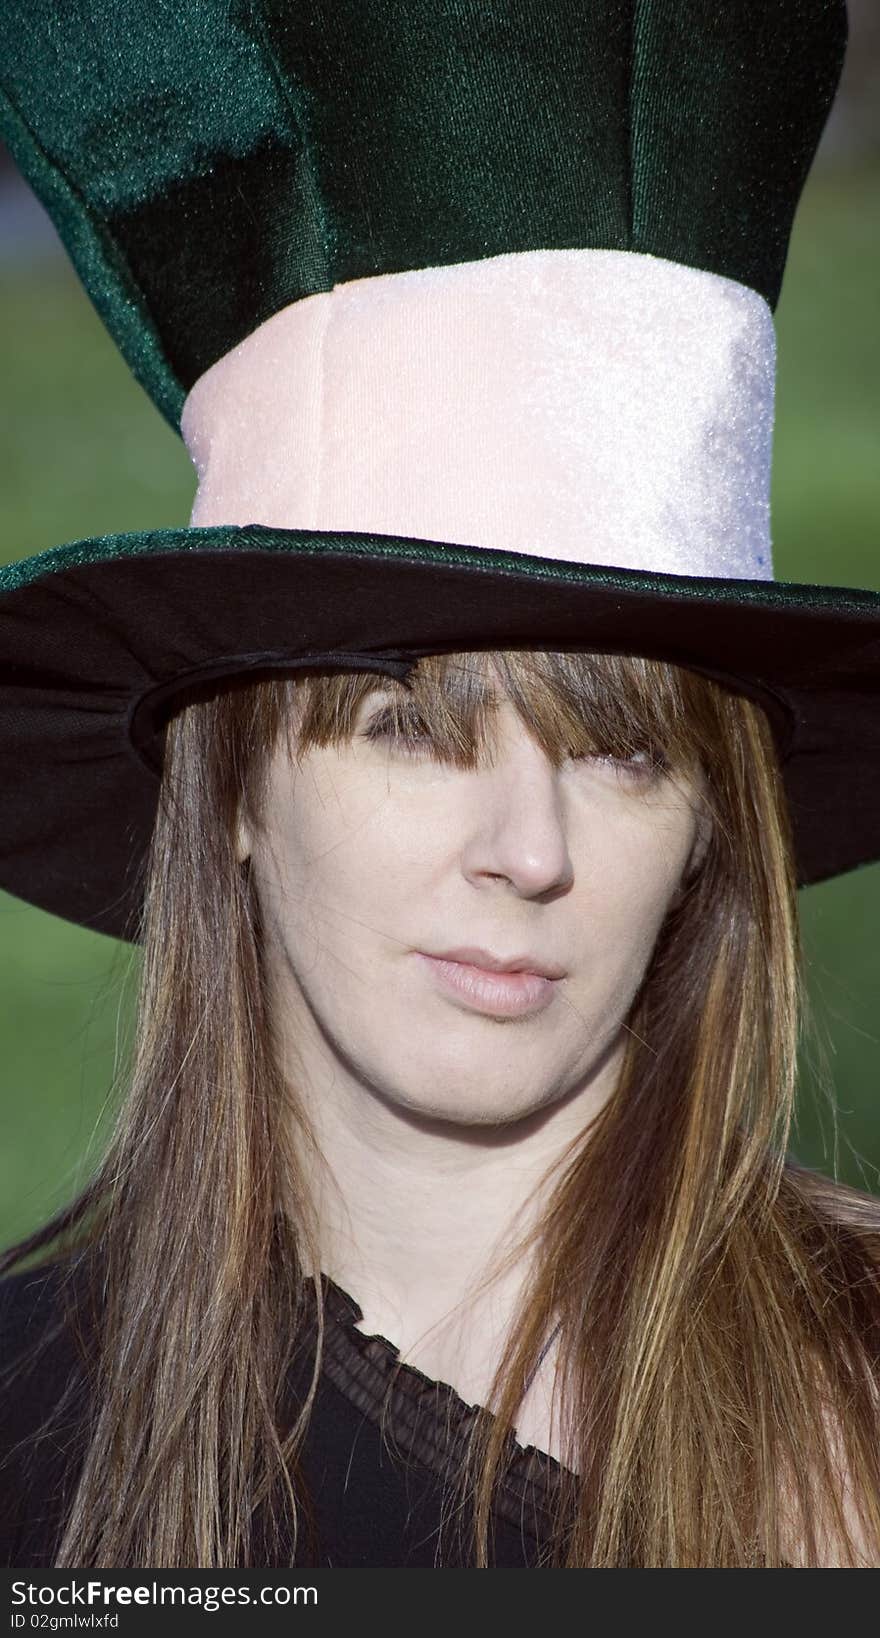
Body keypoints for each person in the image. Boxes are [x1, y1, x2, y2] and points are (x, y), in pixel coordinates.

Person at [1, 0, 879, 1570]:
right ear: (240, 789)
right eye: (414, 729)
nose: (530, 851)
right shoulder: (25, 1448)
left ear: (713, 833)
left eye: (625, 749)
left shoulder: (857, 1411)